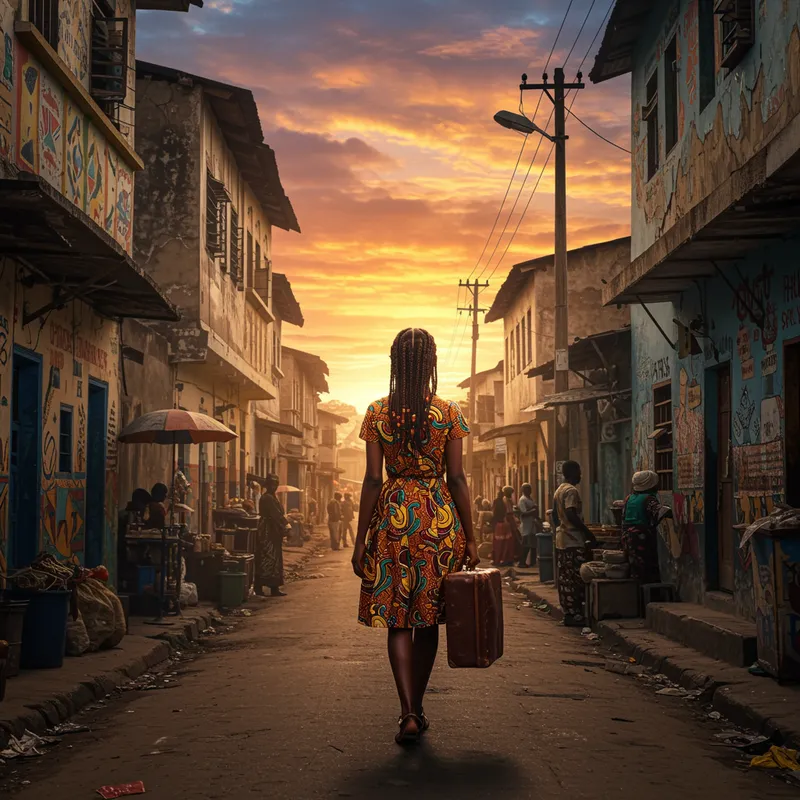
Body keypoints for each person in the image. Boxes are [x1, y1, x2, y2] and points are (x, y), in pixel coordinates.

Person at [351, 327, 479, 746]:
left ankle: (407, 709)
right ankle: (418, 708)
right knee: (428, 619)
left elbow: (372, 479)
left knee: (397, 619)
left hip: (392, 518)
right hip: (438, 520)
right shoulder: (448, 412)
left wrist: (359, 540)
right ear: (430, 363)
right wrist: (472, 536)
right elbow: (457, 477)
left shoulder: (376, 413)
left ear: (395, 363)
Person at [552, 461, 598, 626]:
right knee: (576, 578)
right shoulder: (571, 491)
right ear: (573, 473)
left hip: (562, 539)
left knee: (565, 578)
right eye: (579, 472)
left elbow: (555, 517)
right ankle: (577, 613)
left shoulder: (559, 490)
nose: (581, 475)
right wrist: (588, 533)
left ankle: (569, 613)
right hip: (572, 540)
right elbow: (571, 514)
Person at [621, 470, 667, 584]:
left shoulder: (628, 498)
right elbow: (658, 513)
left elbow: (623, 517)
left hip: (627, 537)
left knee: (634, 566)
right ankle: (649, 595)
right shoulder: (649, 499)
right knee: (647, 567)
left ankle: (635, 594)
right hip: (642, 537)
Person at [255, 474, 291, 597]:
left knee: (275, 559)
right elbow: (275, 515)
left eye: (276, 484)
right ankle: (260, 587)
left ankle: (274, 588)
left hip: (273, 531)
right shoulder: (267, 498)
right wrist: (286, 525)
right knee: (267, 558)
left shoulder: (272, 497)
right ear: (268, 485)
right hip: (267, 532)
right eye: (272, 484)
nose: (274, 487)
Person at [491, 486, 518, 566]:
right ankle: (504, 559)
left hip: (500, 524)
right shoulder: (503, 502)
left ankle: (500, 559)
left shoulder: (499, 502)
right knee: (506, 543)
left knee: (501, 543)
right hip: (504, 523)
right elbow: (505, 513)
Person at [517, 483, 541, 568]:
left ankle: (532, 562)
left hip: (532, 524)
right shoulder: (522, 500)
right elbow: (523, 513)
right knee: (526, 544)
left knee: (533, 544)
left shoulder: (530, 499)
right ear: (523, 490)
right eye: (527, 489)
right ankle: (522, 562)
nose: (529, 491)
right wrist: (533, 510)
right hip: (526, 525)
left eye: (530, 489)